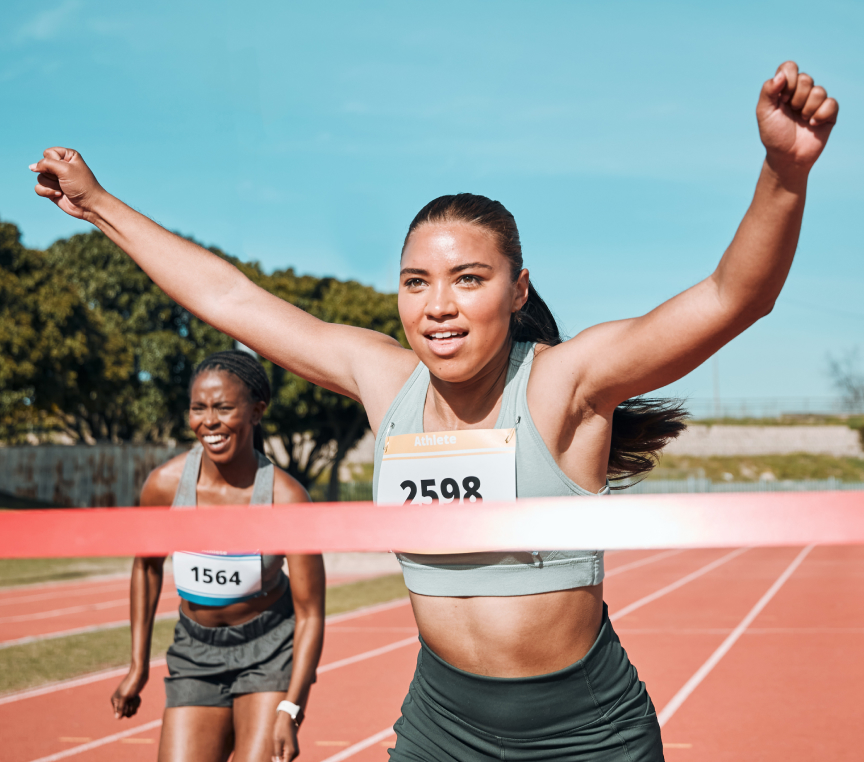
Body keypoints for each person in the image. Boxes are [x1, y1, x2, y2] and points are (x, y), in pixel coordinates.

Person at [34, 61, 836, 760]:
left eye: (469, 279)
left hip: (586, 734)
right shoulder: (387, 383)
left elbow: (736, 297)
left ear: (517, 290)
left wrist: (784, 172)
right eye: (416, 282)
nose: (438, 306)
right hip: (443, 730)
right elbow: (230, 298)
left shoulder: (565, 384)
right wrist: (100, 204)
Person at [108, 351, 325, 762]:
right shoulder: (164, 487)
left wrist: (291, 709)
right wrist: (138, 665)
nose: (209, 421)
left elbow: (311, 612)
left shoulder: (287, 498)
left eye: (224, 408)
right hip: (195, 650)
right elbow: (147, 566)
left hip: (269, 650)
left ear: (256, 412)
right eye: (199, 408)